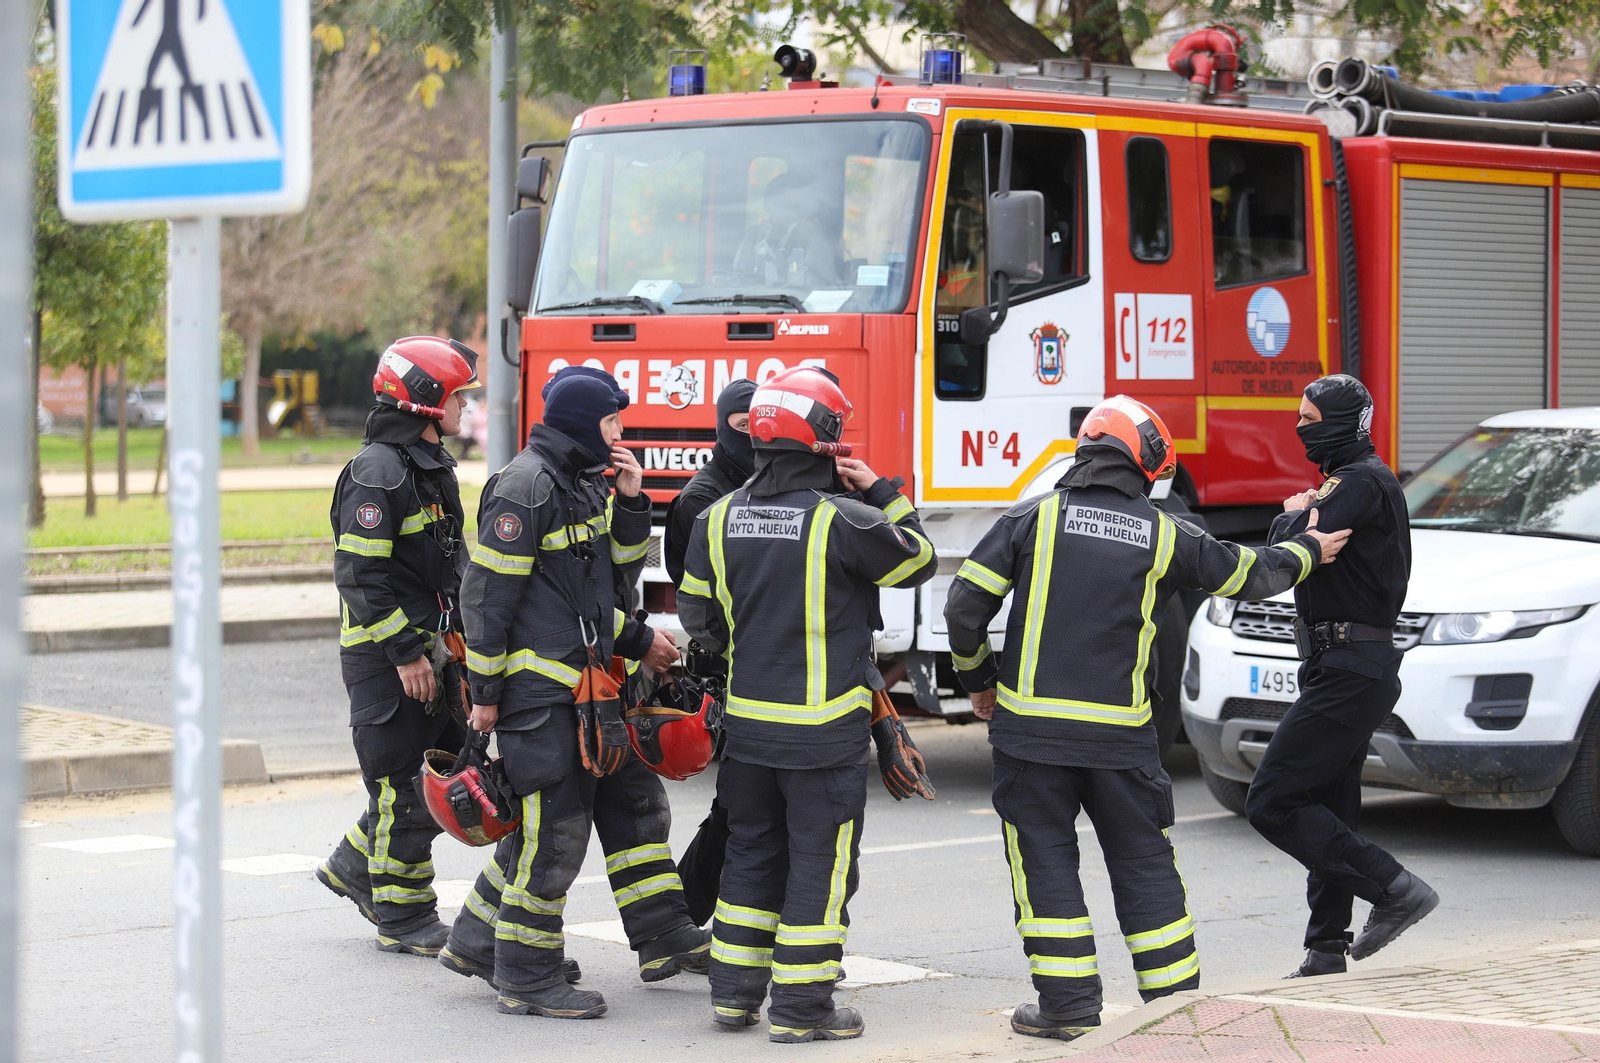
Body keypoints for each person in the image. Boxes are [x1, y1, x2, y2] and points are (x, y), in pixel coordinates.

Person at [943, 395, 1351, 1042]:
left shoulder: (1029, 519)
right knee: (1143, 864)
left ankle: (1069, 1007)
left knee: (1045, 867)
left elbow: (964, 607)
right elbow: (1247, 573)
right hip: (1121, 742)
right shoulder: (1163, 531)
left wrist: (980, 682)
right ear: (1145, 462)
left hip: (1032, 739)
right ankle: (1172, 1005)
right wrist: (1306, 548)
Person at [678, 367, 938, 1043]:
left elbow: (698, 618)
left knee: (752, 855)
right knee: (818, 867)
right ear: (823, 437)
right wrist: (879, 489)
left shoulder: (714, 519)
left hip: (751, 730)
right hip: (824, 736)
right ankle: (802, 1007)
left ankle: (733, 997)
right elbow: (920, 559)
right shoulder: (845, 520)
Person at [442, 366, 704, 1020]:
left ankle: (660, 932)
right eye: (613, 423)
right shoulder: (525, 487)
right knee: (553, 832)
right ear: (586, 423)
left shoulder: (582, 482)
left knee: (634, 801)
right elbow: (486, 600)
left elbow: (609, 582)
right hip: (542, 695)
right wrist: (485, 693)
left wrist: (632, 500)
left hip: (589, 689)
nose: (622, 433)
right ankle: (526, 974)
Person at [1246, 374, 1436, 978]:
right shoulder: (1347, 482)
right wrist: (1301, 516)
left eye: (1309, 417)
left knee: (1272, 798)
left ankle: (1395, 888)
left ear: (1342, 421)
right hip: (1339, 663)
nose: (1300, 427)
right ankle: (1326, 946)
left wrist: (1292, 518)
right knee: (1328, 803)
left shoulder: (1361, 483)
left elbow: (1287, 552)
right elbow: (1304, 542)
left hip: (1353, 666)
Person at [315, 336, 480, 956]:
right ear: (427, 399)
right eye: (459, 394)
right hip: (389, 660)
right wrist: (407, 653)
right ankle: (404, 917)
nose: (466, 405)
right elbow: (360, 575)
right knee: (401, 786)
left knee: (429, 775)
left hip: (428, 650)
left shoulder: (428, 467)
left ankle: (356, 867)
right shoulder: (378, 472)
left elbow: (447, 561)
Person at [662, 377, 757, 926]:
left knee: (741, 806)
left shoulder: (770, 485)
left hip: (764, 665)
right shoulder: (702, 498)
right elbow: (692, 590)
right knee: (737, 808)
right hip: (728, 665)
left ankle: (686, 914)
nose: (751, 438)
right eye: (741, 427)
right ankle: (685, 915)